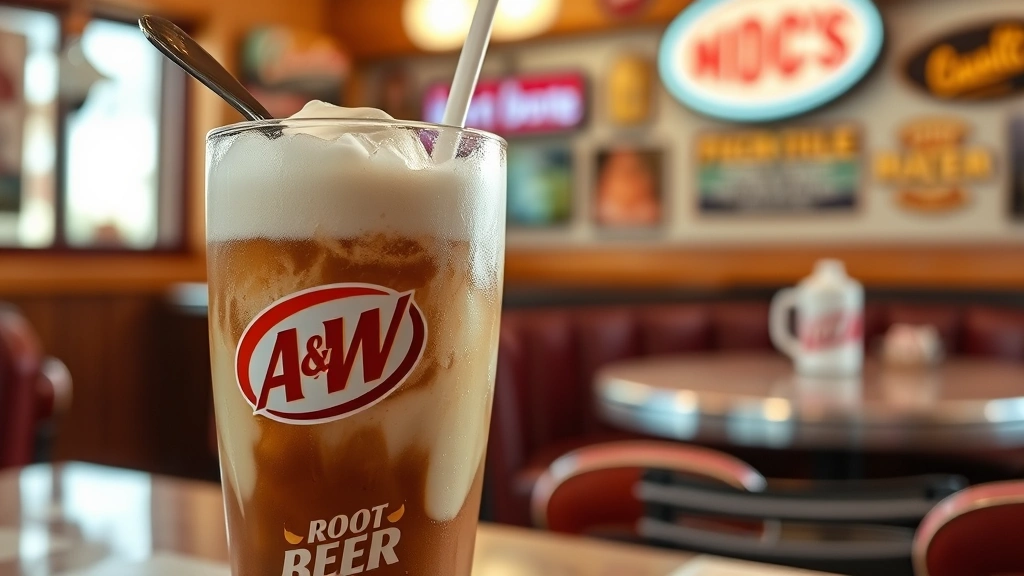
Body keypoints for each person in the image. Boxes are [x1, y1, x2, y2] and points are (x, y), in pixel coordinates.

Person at [595, 149, 661, 226]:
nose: (629, 179)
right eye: (620, 172)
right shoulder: (599, 211)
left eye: (635, 171)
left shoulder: (652, 212)